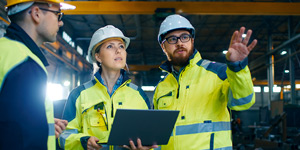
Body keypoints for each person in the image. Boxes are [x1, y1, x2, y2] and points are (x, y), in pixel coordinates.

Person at [153, 14, 257, 150]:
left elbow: (244, 102)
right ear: (163, 47)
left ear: (192, 41)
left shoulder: (218, 73)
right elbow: (158, 136)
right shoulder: (162, 88)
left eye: (184, 37)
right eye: (172, 39)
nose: (179, 43)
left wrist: (237, 67)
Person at [59, 25, 158, 150]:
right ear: (98, 56)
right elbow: (64, 136)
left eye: (121, 46)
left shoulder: (139, 95)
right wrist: (84, 142)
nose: (118, 51)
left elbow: (149, 137)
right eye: (110, 46)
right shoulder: (79, 94)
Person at [0, 0, 71, 149]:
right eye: (58, 15)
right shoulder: (25, 63)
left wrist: (40, 122)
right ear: (36, 14)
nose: (61, 23)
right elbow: (23, 141)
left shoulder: (5, 51)